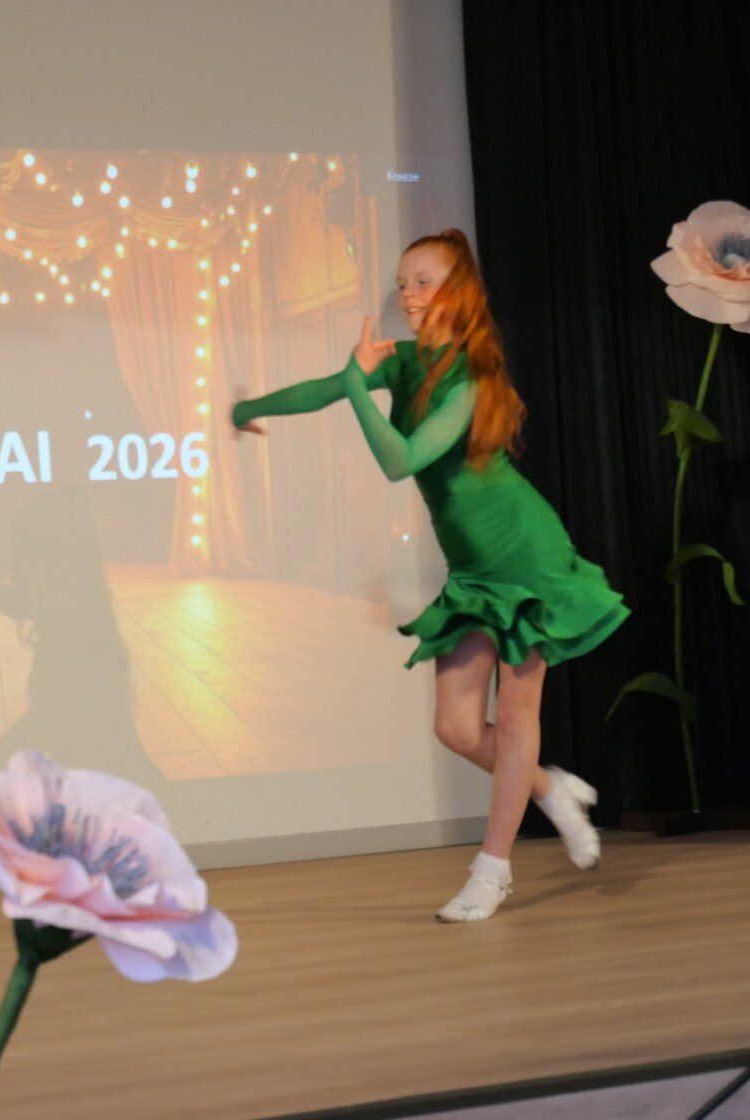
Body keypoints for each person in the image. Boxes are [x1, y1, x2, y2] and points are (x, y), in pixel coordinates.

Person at [232, 229, 628, 922]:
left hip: (525, 555)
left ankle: (492, 871)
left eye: (423, 281)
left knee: (516, 716)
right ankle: (551, 790)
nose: (408, 295)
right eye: (402, 283)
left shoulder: (471, 379)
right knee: (456, 728)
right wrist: (250, 408)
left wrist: (356, 382)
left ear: (459, 290)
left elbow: (401, 460)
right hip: (473, 568)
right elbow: (322, 390)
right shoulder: (406, 362)